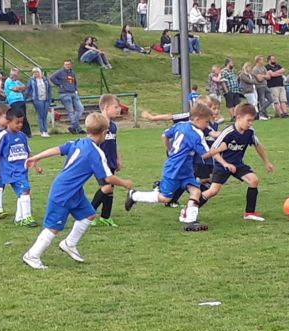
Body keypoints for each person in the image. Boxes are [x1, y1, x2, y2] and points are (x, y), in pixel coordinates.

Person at [20, 112, 134, 269]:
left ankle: (69, 244)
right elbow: (108, 178)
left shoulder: (79, 142)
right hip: (64, 192)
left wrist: (36, 157)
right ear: (103, 133)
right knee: (54, 227)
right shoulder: (96, 153)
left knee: (89, 214)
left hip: (74, 191)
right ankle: (32, 255)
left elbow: (58, 149)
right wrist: (124, 183)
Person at [124, 104, 215, 232]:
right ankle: (135, 195)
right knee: (166, 198)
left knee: (196, 191)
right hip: (175, 169)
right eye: (206, 122)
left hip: (185, 169)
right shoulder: (196, 133)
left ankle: (190, 220)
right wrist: (220, 149)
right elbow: (205, 154)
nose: (207, 125)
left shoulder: (180, 125)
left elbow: (165, 135)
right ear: (197, 119)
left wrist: (169, 150)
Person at [198, 103, 275, 221]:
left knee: (254, 180)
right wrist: (225, 164)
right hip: (222, 165)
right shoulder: (228, 132)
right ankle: (190, 208)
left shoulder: (250, 132)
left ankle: (249, 213)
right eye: (248, 120)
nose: (250, 123)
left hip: (237, 164)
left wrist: (267, 162)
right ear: (238, 117)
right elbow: (213, 151)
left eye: (252, 121)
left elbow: (258, 145)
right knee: (212, 191)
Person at [0, 108, 42, 227]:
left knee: (22, 193)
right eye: (17, 122)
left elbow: (28, 153)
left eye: (21, 122)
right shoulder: (2, 136)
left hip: (22, 170)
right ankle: (27, 217)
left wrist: (36, 166)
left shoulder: (22, 136)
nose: (19, 125)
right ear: (8, 121)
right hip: (11, 170)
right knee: (26, 189)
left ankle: (19, 219)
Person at [89, 95, 124, 228]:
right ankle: (89, 214)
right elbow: (90, 143)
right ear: (106, 107)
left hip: (111, 163)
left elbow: (114, 144)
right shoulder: (97, 124)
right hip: (100, 163)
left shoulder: (113, 126)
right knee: (107, 187)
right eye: (115, 107)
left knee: (110, 189)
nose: (118, 110)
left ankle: (105, 217)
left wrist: (118, 159)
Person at [50, 59, 85, 134]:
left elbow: (75, 81)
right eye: (66, 64)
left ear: (71, 65)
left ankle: (74, 127)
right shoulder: (60, 72)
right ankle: (77, 128)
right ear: (64, 65)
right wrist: (59, 84)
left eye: (68, 64)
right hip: (65, 93)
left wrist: (76, 89)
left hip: (73, 92)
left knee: (80, 108)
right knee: (71, 111)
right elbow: (52, 77)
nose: (67, 66)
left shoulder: (72, 72)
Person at [5, 68, 32, 137]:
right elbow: (15, 89)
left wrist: (19, 88)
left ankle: (27, 132)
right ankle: (23, 132)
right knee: (20, 116)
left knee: (24, 116)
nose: (17, 76)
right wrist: (19, 88)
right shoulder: (8, 81)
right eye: (16, 74)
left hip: (21, 100)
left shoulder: (17, 81)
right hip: (14, 101)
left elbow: (24, 87)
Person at [26, 67, 52, 138]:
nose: (35, 74)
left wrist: (50, 98)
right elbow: (28, 89)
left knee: (45, 115)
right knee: (40, 115)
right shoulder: (32, 80)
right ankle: (42, 131)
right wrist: (25, 97)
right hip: (37, 99)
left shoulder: (45, 79)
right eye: (34, 72)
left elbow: (49, 88)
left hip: (46, 99)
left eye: (37, 72)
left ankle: (46, 130)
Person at [252, 56, 272, 120]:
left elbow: (269, 77)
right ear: (258, 61)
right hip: (259, 86)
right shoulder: (255, 69)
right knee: (262, 101)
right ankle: (262, 114)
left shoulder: (263, 67)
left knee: (271, 100)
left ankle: (261, 111)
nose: (263, 61)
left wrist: (262, 76)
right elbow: (259, 79)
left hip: (265, 85)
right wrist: (264, 76)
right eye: (262, 60)